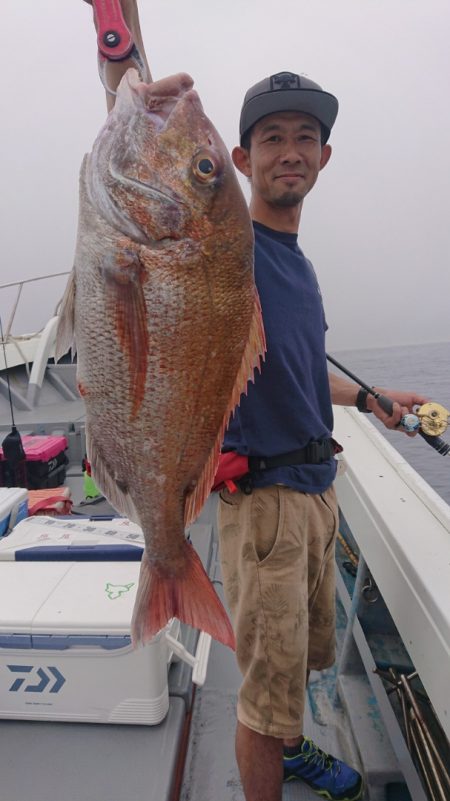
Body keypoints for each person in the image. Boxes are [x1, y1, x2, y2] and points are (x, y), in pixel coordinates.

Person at [83, 4, 427, 800]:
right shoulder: (226, 248)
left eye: (305, 136)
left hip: (315, 497)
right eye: (272, 137)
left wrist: (370, 396)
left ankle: (294, 744)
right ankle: (273, 755)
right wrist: (119, 62)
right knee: (264, 698)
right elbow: (145, 149)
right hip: (263, 509)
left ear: (325, 156)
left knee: (300, 661)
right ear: (240, 159)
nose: (291, 151)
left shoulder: (297, 267)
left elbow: (298, 371)